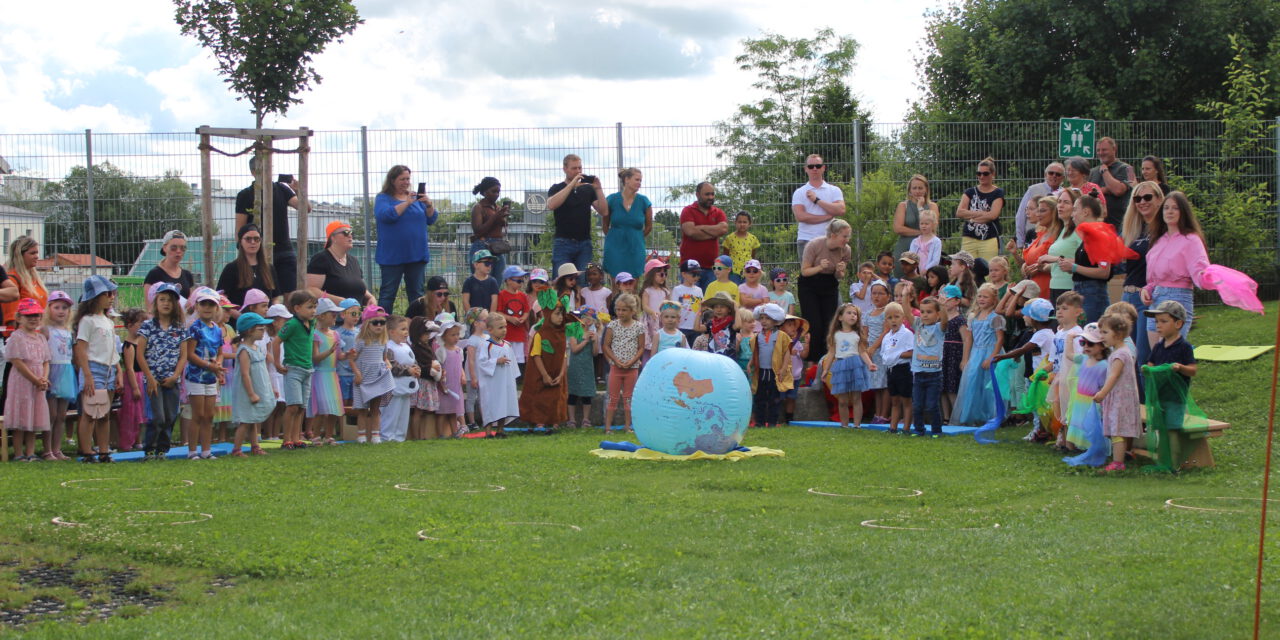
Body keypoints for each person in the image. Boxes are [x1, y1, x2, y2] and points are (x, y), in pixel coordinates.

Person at [1142, 191, 1209, 346]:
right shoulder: (1159, 240)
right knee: (1157, 356)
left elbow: (1200, 270)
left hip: (1178, 298)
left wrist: (1211, 279)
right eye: (1166, 208)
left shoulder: (1191, 239)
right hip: (1156, 298)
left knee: (1169, 354)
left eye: (1175, 208)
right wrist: (1147, 289)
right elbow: (1154, 277)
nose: (1170, 211)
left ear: (1183, 212)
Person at [235, 157, 305, 294]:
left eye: (270, 168)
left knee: (291, 293)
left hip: (284, 249)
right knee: (262, 293)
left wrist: (298, 190)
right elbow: (240, 228)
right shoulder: (245, 195)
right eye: (264, 168)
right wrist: (244, 251)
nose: (269, 172)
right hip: (258, 252)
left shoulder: (282, 189)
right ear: (254, 172)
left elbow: (305, 208)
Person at [373, 165, 438, 310]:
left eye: (408, 178)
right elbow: (386, 215)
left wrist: (428, 204)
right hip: (392, 257)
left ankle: (417, 326)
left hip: (416, 255)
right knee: (387, 294)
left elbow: (431, 219)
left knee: (417, 294)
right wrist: (407, 203)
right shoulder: (383, 198)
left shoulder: (416, 198)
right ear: (392, 180)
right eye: (402, 179)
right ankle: (382, 326)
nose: (406, 182)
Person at [1119, 181, 1164, 382]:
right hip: (1127, 296)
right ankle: (1135, 408)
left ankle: (1149, 408)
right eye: (1137, 198)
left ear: (1159, 199)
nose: (1142, 202)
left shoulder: (1164, 230)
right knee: (1127, 355)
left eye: (1147, 197)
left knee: (1143, 358)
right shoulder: (1133, 230)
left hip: (1148, 297)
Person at [798, 218, 852, 364]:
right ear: (833, 235)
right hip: (810, 284)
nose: (847, 240)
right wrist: (819, 267)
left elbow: (839, 276)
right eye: (844, 236)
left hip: (829, 284)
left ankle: (827, 360)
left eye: (848, 236)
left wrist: (840, 272)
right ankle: (812, 362)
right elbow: (805, 271)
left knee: (829, 323)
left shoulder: (846, 250)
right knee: (814, 324)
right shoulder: (814, 245)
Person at [953, 284, 1006, 425]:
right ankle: (970, 415)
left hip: (990, 351)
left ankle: (990, 416)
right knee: (972, 382)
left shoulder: (995, 318)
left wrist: (992, 357)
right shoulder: (973, 317)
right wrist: (965, 359)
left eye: (985, 296)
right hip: (976, 353)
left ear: (994, 299)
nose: (981, 299)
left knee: (988, 385)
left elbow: (1000, 338)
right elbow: (969, 339)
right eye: (980, 296)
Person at [1093, 313, 1140, 472]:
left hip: (1120, 397)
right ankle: (1123, 455)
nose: (1101, 336)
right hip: (1122, 396)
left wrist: (1102, 393)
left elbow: (1114, 376)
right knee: (1119, 427)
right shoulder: (1122, 351)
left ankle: (1118, 463)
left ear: (1118, 334)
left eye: (1105, 332)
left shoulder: (1120, 354)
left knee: (1117, 430)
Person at [546, 154, 608, 274]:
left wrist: (598, 189)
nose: (578, 171)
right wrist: (571, 185)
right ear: (565, 169)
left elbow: (604, 211)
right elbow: (551, 205)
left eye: (580, 168)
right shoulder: (557, 188)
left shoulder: (587, 190)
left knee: (583, 280)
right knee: (561, 278)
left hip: (584, 243)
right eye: (574, 168)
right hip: (563, 242)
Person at [5, 298, 50, 461]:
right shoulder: (16, 337)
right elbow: (17, 362)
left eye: (37, 315)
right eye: (29, 315)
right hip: (22, 382)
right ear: (19, 318)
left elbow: (46, 361)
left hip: (38, 383)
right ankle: (18, 453)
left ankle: (31, 452)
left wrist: (43, 378)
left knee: (34, 416)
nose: (33, 319)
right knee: (21, 417)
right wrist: (35, 379)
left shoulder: (41, 338)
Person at [182, 288, 223, 460]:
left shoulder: (218, 330)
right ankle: (192, 451)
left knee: (209, 415)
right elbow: (190, 354)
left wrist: (218, 364)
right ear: (197, 306)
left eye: (211, 304)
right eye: (203, 304)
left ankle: (206, 450)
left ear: (216, 308)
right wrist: (208, 365)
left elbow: (220, 351)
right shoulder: (194, 328)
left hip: (211, 376)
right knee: (197, 414)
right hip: (196, 376)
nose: (207, 307)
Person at [1057, 194, 1112, 322]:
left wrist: (1074, 267)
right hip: (1081, 292)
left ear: (1086, 212)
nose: (1072, 215)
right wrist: (1071, 266)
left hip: (1093, 295)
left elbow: (1104, 272)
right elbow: (1088, 265)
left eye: (1075, 209)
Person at [520, 292, 569, 429]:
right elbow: (536, 356)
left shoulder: (562, 334)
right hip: (541, 373)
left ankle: (554, 420)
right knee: (540, 397)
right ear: (548, 315)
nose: (560, 318)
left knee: (555, 397)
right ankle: (539, 420)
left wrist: (560, 375)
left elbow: (564, 356)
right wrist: (545, 375)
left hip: (557, 372)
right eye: (557, 314)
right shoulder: (540, 334)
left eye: (562, 314)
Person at [230, 312, 275, 457]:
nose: (264, 332)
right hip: (248, 391)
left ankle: (255, 446)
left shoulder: (257, 348)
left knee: (253, 418)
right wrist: (251, 393)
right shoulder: (244, 350)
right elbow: (244, 374)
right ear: (250, 330)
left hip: (258, 388)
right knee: (245, 420)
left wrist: (271, 388)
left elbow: (262, 372)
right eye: (260, 329)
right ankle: (237, 449)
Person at [823, 303, 873, 430]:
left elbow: (862, 352)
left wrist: (869, 364)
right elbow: (831, 353)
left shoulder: (857, 334)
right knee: (843, 399)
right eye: (849, 313)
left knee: (856, 397)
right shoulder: (835, 335)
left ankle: (857, 425)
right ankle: (844, 425)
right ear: (840, 317)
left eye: (855, 313)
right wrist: (825, 370)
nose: (852, 315)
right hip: (841, 365)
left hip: (856, 365)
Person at [278, 290, 318, 450]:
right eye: (309, 307)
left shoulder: (312, 322)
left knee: (301, 407)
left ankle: (296, 438)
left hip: (308, 369)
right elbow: (276, 342)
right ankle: (286, 438)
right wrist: (277, 364)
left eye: (315, 307)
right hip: (293, 368)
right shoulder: (291, 324)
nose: (313, 311)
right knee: (292, 406)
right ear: (297, 308)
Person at [790, 154, 846, 264]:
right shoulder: (800, 192)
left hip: (829, 240)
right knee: (808, 277)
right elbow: (801, 216)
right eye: (811, 166)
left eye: (818, 166)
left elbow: (841, 210)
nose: (814, 169)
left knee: (829, 275)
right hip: (806, 240)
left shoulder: (834, 190)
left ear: (823, 168)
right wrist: (827, 216)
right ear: (806, 169)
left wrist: (817, 200)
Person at [306, 220, 375, 308]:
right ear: (333, 238)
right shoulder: (321, 259)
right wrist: (340, 301)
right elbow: (311, 290)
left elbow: (358, 286)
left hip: (355, 316)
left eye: (351, 232)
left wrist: (370, 297)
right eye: (345, 233)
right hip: (333, 316)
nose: (350, 235)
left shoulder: (353, 261)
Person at [602, 293, 645, 434]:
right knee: (612, 398)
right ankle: (608, 428)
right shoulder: (612, 325)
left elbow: (641, 348)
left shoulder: (639, 327)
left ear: (632, 311)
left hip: (632, 369)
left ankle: (629, 426)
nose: (620, 313)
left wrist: (632, 362)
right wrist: (616, 361)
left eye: (624, 310)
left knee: (629, 398)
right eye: (618, 309)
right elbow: (606, 346)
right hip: (616, 367)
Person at [352, 305, 394, 444]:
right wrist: (357, 374)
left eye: (382, 323)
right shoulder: (361, 342)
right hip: (363, 379)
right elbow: (351, 359)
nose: (379, 326)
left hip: (377, 378)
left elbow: (384, 358)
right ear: (366, 324)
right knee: (362, 409)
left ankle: (376, 435)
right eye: (375, 322)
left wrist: (387, 363)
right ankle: (362, 435)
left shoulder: (383, 342)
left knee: (375, 409)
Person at [602, 167, 652, 280]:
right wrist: (613, 238)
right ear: (626, 179)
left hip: (635, 247)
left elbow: (649, 227)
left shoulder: (644, 201)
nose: (639, 183)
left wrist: (636, 236)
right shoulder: (611, 199)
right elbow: (605, 225)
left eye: (640, 180)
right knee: (616, 283)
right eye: (637, 179)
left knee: (633, 284)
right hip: (614, 248)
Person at [306, 298, 344, 447]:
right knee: (321, 407)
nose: (335, 318)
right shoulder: (315, 335)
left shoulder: (335, 334)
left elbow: (339, 356)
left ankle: (329, 435)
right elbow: (315, 358)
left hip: (332, 374)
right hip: (320, 374)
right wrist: (329, 351)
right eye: (332, 315)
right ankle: (316, 436)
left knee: (334, 406)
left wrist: (349, 355)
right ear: (321, 316)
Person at [749, 303, 793, 428]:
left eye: (767, 318)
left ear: (775, 320)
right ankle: (760, 422)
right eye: (762, 318)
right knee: (759, 397)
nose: (764, 321)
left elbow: (786, 353)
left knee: (775, 397)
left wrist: (784, 368)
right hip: (761, 371)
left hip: (775, 371)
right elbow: (755, 352)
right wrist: (750, 363)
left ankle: (773, 421)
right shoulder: (757, 337)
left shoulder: (782, 336)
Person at [872, 302, 914, 434]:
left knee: (906, 401)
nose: (893, 320)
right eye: (890, 318)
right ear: (886, 321)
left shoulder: (907, 334)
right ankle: (893, 427)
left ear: (903, 318)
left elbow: (912, 352)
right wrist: (889, 356)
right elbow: (884, 352)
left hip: (903, 369)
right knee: (894, 400)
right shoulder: (887, 337)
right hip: (891, 370)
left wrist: (897, 354)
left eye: (896, 317)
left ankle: (906, 428)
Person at [679, 182, 729, 290]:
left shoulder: (718, 212)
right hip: (689, 268)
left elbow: (723, 229)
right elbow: (691, 232)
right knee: (690, 303)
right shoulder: (687, 211)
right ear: (697, 194)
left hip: (713, 269)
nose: (710, 197)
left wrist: (701, 228)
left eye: (712, 194)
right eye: (707, 194)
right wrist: (713, 232)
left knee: (710, 303)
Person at [477, 313, 519, 438]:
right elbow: (481, 363)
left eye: (505, 327)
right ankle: (488, 432)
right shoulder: (485, 345)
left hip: (505, 382)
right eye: (500, 327)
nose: (504, 330)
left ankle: (500, 430)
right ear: (490, 330)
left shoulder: (507, 345)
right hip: (491, 384)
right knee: (490, 405)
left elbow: (513, 363)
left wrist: (513, 378)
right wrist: (495, 361)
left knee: (504, 404)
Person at [216, 224, 277, 310]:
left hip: (266, 320)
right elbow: (221, 297)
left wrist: (274, 314)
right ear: (240, 241)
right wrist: (238, 316)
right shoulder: (232, 268)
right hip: (240, 320)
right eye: (248, 239)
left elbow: (275, 297)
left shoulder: (269, 268)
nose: (253, 242)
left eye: (256, 239)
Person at [955, 157, 1004, 260]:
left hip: (989, 237)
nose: (981, 176)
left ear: (993, 174)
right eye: (979, 173)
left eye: (985, 174)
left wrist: (971, 217)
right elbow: (959, 212)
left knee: (988, 269)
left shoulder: (998, 192)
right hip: (969, 236)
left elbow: (993, 215)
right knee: (968, 270)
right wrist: (981, 213)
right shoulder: (970, 192)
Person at [910, 296, 945, 437]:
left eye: (929, 312)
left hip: (934, 375)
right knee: (917, 405)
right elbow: (907, 312)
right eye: (922, 312)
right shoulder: (918, 325)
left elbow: (945, 321)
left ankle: (936, 430)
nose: (925, 315)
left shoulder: (939, 328)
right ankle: (919, 430)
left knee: (932, 405)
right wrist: (906, 296)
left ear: (937, 314)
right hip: (918, 374)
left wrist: (942, 305)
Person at [380, 315, 418, 443]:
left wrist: (416, 369)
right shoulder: (388, 347)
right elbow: (391, 365)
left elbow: (411, 361)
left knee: (403, 414)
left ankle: (399, 437)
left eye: (406, 329)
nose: (406, 332)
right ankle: (387, 437)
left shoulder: (406, 346)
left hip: (405, 386)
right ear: (391, 332)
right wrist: (408, 370)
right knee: (391, 413)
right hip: (392, 387)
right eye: (402, 329)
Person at [1040, 189, 1082, 302]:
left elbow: (1085, 261)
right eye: (1059, 201)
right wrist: (1043, 267)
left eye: (1066, 202)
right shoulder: (1063, 229)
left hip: (1070, 288)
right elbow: (1060, 265)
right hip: (1055, 287)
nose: (1060, 206)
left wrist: (1053, 258)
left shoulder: (1078, 231)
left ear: (1076, 207)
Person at [1014, 162, 1066, 248]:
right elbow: (1020, 216)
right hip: (1033, 237)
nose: (1054, 176)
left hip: (1056, 237)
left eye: (1058, 174)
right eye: (1051, 173)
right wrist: (1020, 242)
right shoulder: (1033, 190)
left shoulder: (1064, 193)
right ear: (1045, 175)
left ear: (1063, 178)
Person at [1088, 137, 1135, 231]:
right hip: (1097, 226)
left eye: (1104, 150)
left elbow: (1118, 190)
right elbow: (1088, 193)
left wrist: (1105, 171)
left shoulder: (1128, 169)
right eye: (1098, 150)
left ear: (1114, 149)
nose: (1101, 153)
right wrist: (1106, 190)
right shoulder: (1092, 172)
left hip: (1120, 226)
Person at [118, 309, 148, 452]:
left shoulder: (141, 343)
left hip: (143, 377)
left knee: (141, 411)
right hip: (134, 379)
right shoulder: (129, 346)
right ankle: (128, 441)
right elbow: (129, 368)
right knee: (132, 412)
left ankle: (139, 440)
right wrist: (135, 387)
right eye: (140, 323)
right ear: (130, 325)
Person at [892, 174, 937, 269]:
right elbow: (898, 228)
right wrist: (921, 232)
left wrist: (920, 207)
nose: (917, 191)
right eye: (914, 188)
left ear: (926, 190)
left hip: (926, 249)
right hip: (905, 247)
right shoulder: (903, 205)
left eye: (920, 188)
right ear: (910, 190)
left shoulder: (932, 206)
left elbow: (933, 226)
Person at [939, 285, 969, 422]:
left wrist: (964, 359)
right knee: (942, 387)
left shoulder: (960, 320)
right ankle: (946, 416)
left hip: (954, 356)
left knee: (952, 387)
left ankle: (957, 416)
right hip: (941, 355)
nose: (944, 302)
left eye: (948, 299)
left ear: (957, 301)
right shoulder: (940, 319)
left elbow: (967, 339)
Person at [469, 177, 510, 276]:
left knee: (496, 283)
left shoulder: (497, 208)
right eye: (493, 191)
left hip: (497, 248)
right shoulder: (478, 207)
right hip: (482, 246)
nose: (496, 194)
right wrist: (495, 217)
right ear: (484, 192)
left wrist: (502, 219)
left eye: (498, 192)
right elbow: (478, 231)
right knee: (482, 282)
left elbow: (500, 227)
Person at [493, 266, 531, 366]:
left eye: (522, 281)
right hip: (507, 334)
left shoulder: (523, 296)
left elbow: (526, 311)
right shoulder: (502, 295)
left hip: (519, 334)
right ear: (509, 280)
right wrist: (510, 318)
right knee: (507, 358)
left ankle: (516, 380)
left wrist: (524, 317)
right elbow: (499, 312)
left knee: (518, 361)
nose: (521, 283)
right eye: (518, 281)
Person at [144, 230, 196, 300]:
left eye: (182, 248)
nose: (178, 251)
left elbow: (191, 304)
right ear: (165, 248)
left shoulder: (187, 275)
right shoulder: (154, 274)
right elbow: (149, 307)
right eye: (173, 248)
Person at [672, 260, 705, 345]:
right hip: (681, 327)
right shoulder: (677, 290)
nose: (696, 277)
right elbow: (673, 309)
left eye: (698, 274)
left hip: (695, 327)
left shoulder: (699, 290)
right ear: (683, 274)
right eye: (693, 274)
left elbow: (699, 308)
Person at [722, 211, 760, 282]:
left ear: (750, 223)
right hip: (733, 273)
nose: (742, 224)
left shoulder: (753, 239)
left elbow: (753, 256)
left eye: (745, 222)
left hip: (748, 272)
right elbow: (725, 256)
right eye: (739, 222)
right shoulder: (729, 238)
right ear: (735, 223)